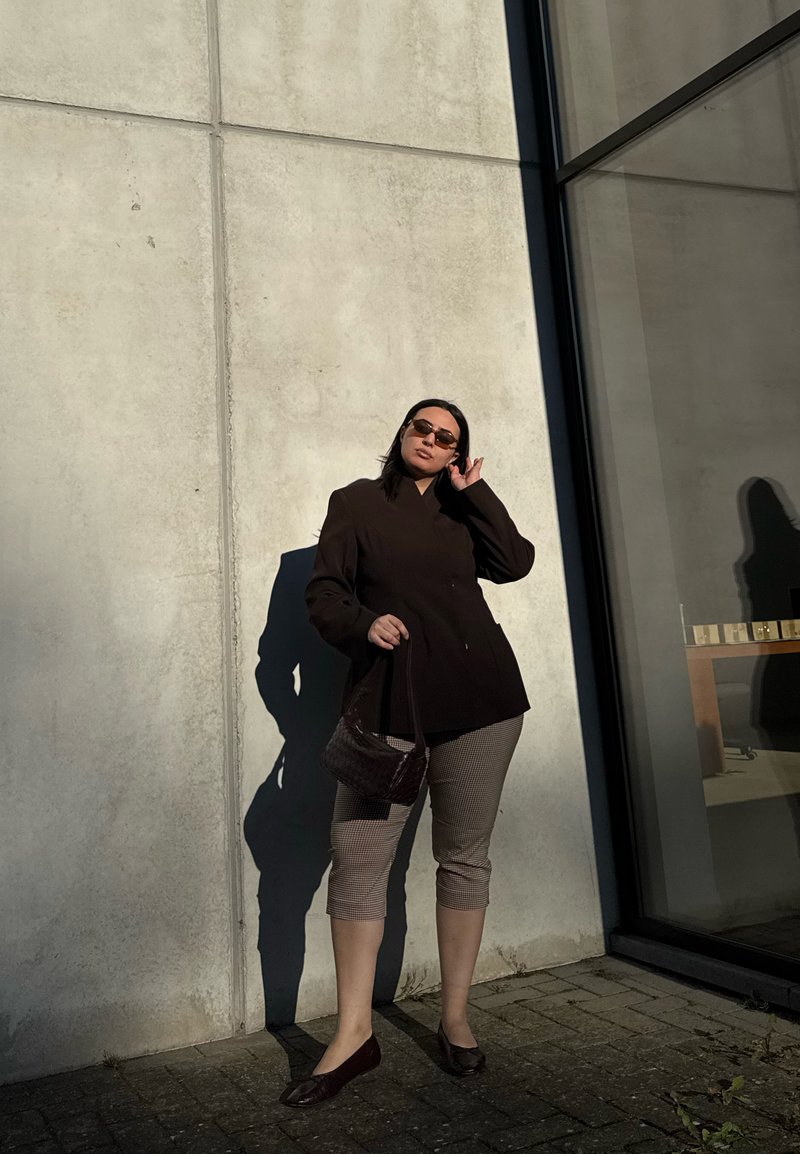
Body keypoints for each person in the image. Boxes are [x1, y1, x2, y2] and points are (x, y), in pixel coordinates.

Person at [280, 399, 534, 1107]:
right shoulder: (357, 502)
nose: (431, 440)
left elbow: (514, 563)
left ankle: (455, 1018)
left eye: (447, 438)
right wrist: (364, 624)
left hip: (483, 702)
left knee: (463, 857)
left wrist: (475, 492)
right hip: (389, 706)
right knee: (358, 860)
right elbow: (324, 592)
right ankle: (354, 1034)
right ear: (402, 432)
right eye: (422, 428)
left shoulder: (463, 509)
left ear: (459, 453)